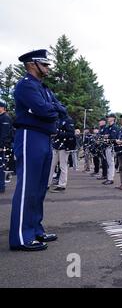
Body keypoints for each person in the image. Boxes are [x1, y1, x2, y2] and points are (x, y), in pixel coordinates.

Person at [9, 49, 66, 251]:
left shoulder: (43, 88)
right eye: (45, 64)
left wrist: (52, 109)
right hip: (29, 136)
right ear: (33, 64)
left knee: (40, 188)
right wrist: (52, 109)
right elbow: (46, 111)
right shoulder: (26, 86)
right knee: (28, 188)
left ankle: (34, 229)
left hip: (43, 137)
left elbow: (60, 109)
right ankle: (21, 237)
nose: (48, 67)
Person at [47, 114, 76, 192]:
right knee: (51, 166)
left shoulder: (68, 120)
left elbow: (71, 134)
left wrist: (59, 133)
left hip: (64, 146)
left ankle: (62, 185)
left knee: (62, 166)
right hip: (56, 145)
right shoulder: (58, 120)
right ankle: (47, 184)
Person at [0, 100, 13, 193]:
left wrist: (1, 145)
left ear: (2, 107)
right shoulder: (2, 117)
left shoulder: (5, 118)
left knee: (1, 166)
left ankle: (1, 186)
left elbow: (4, 134)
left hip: (2, 145)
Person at [102, 113, 119, 185]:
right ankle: (109, 178)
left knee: (111, 163)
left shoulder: (115, 127)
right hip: (106, 146)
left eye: (109, 117)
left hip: (111, 146)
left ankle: (110, 179)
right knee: (109, 163)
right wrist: (106, 136)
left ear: (113, 118)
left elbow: (113, 137)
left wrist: (107, 136)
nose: (108, 118)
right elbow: (104, 136)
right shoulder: (107, 127)